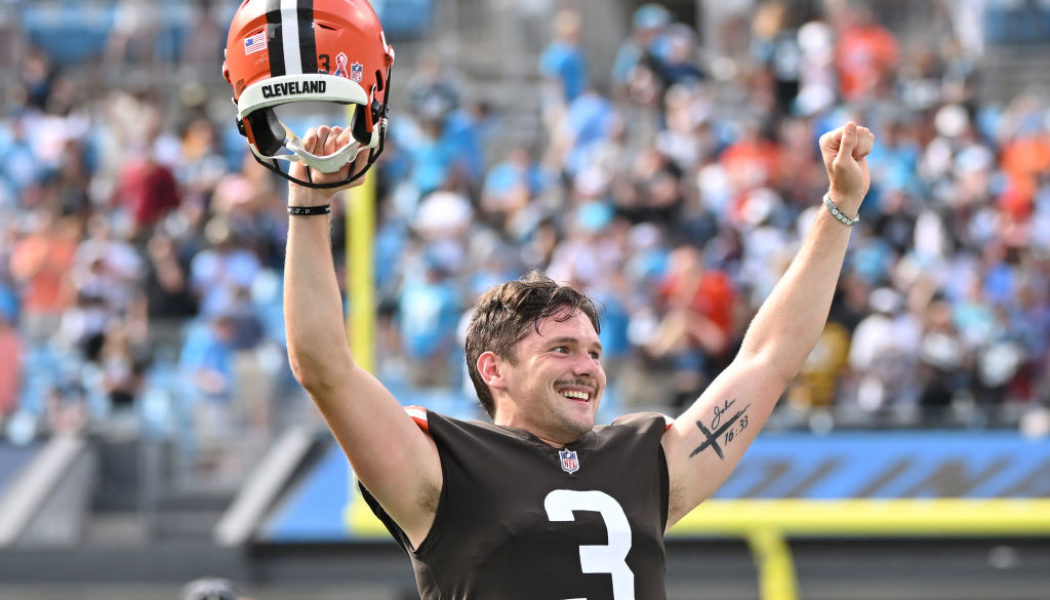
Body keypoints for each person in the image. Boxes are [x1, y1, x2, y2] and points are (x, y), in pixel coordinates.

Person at [224, 1, 875, 597]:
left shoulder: (641, 464)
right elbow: (323, 367)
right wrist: (309, 208)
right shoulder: (441, 473)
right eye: (561, 348)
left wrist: (839, 208)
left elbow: (768, 357)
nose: (588, 367)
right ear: (493, 369)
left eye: (592, 351)